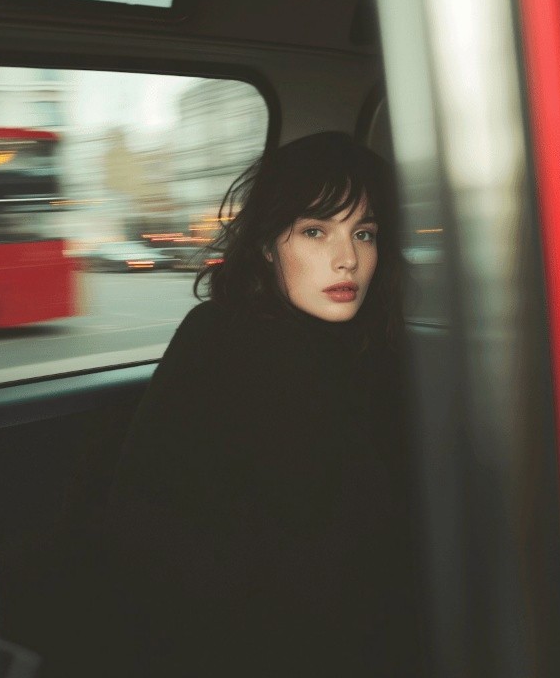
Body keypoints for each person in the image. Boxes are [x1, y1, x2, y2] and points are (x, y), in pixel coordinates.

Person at [102, 132, 422, 677]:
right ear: (270, 244)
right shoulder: (243, 350)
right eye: (316, 232)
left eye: (364, 234)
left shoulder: (349, 344)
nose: (346, 259)